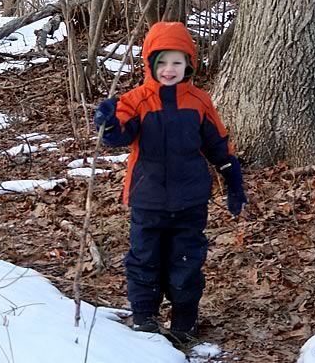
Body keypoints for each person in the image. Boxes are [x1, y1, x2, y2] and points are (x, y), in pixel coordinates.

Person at [93, 21, 247, 344]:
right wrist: (108, 123)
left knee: (187, 260)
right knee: (144, 258)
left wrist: (233, 180)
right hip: (146, 200)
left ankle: (184, 320)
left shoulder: (199, 102)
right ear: (150, 63)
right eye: (161, 62)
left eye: (177, 62)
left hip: (190, 202)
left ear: (189, 63)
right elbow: (120, 134)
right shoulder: (136, 101)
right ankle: (145, 316)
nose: (169, 69)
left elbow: (218, 144)